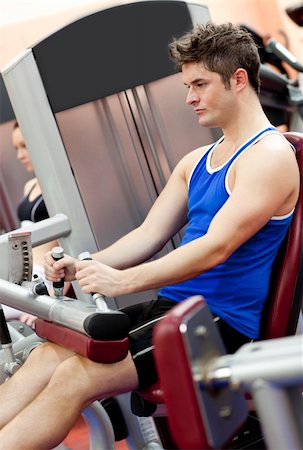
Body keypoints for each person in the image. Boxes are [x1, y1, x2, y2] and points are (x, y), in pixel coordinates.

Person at [0, 22, 299, 449]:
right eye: (186, 85)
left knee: (75, 376)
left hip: (218, 322)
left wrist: (123, 281)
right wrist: (90, 263)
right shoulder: (197, 161)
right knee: (47, 355)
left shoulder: (269, 156)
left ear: (238, 80)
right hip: (173, 307)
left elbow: (215, 248)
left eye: (199, 84)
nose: (189, 97)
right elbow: (148, 234)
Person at [2, 122, 59, 327]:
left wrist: (52, 299)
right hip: (19, 274)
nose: (20, 155)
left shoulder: (58, 187)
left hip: (42, 278)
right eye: (17, 148)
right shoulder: (30, 185)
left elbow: (69, 247)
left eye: (25, 146)